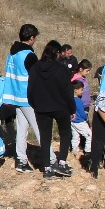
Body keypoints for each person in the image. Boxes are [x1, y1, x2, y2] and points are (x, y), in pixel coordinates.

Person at [27, 39, 74, 178]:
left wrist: (34, 104)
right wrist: (72, 109)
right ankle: (62, 163)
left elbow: (30, 90)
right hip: (61, 107)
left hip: (41, 108)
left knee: (45, 137)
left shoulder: (35, 68)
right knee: (65, 133)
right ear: (58, 53)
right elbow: (67, 91)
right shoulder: (62, 69)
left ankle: (47, 167)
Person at [2, 24, 40, 172]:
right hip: (27, 97)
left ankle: (21, 161)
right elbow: (36, 76)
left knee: (22, 129)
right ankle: (51, 161)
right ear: (31, 38)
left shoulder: (12, 53)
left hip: (15, 96)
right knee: (40, 129)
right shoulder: (28, 55)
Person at [70, 67, 93, 157]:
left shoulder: (70, 100)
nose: (82, 92)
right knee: (89, 135)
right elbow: (82, 112)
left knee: (75, 137)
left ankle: (74, 149)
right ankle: (88, 151)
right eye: (81, 90)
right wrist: (86, 117)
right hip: (80, 122)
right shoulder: (78, 101)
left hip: (72, 122)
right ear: (76, 90)